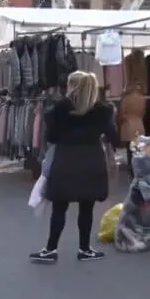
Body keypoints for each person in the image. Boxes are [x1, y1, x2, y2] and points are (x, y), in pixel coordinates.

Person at [30, 71, 119, 263]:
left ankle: (51, 249)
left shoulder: (59, 110)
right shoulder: (103, 111)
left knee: (59, 207)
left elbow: (51, 137)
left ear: (71, 86)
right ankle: (84, 249)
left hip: (65, 160)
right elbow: (114, 138)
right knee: (86, 208)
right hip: (91, 162)